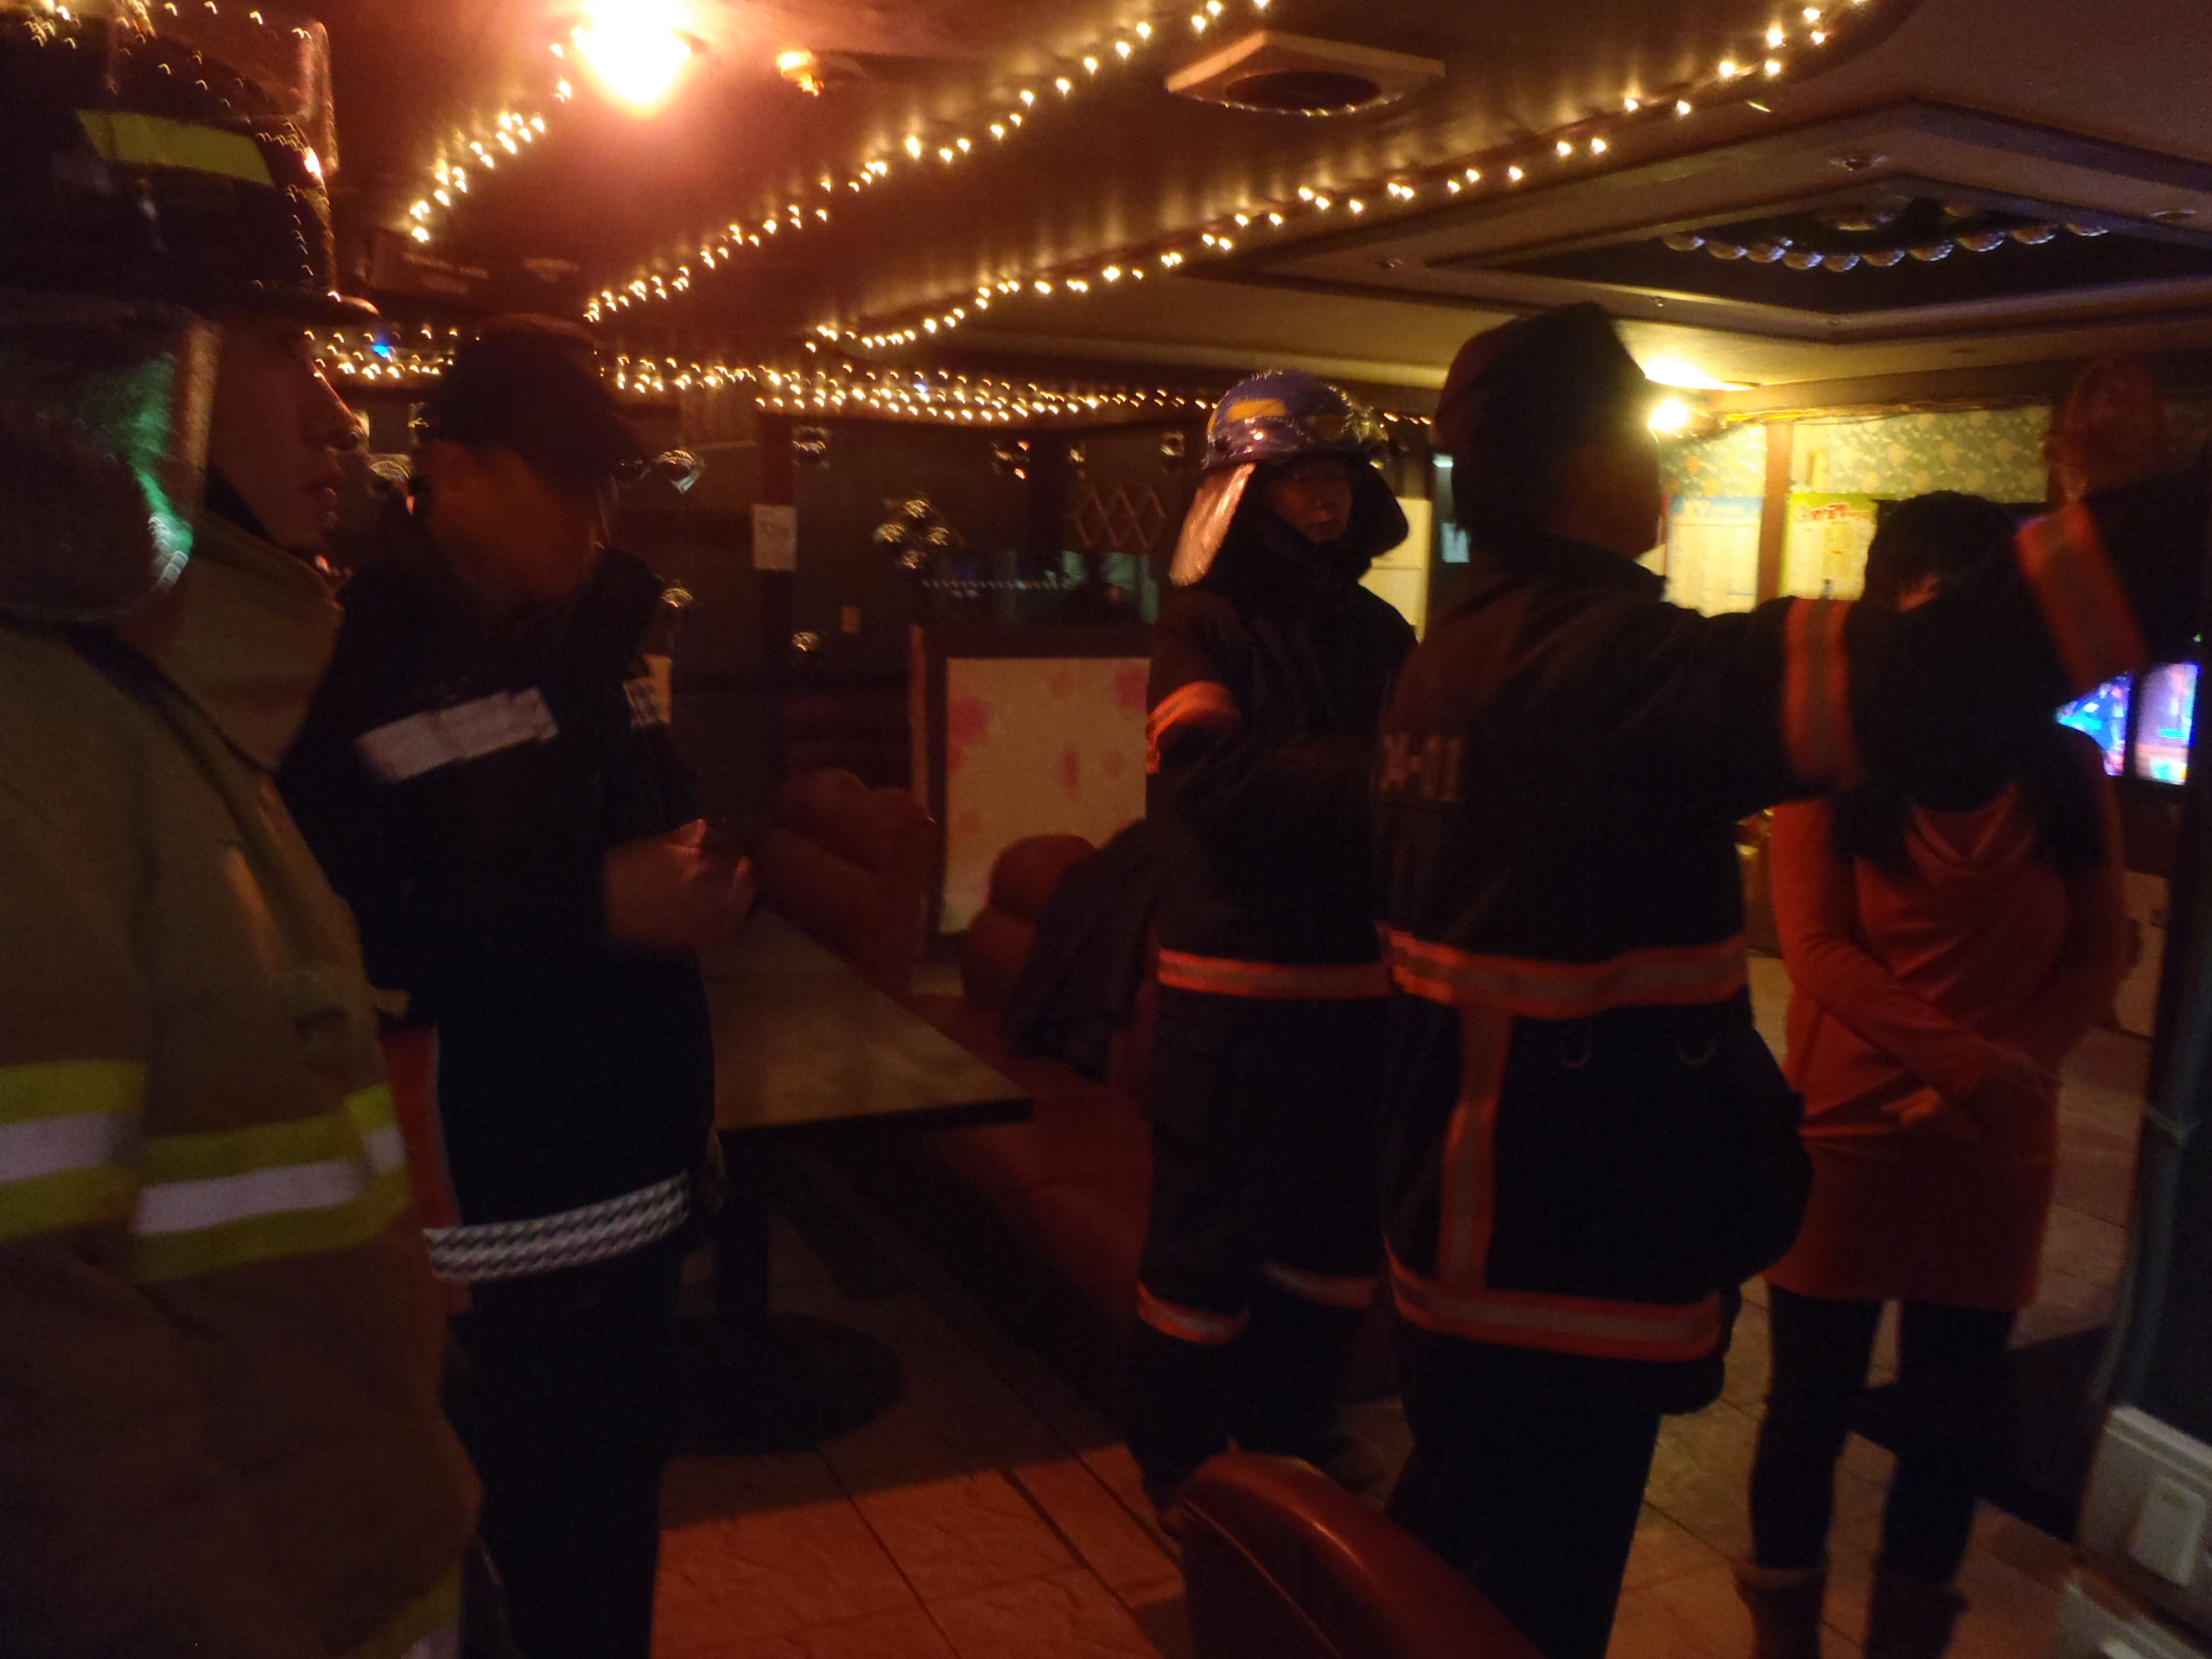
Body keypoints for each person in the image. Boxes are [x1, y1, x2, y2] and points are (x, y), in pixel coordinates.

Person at [1371, 303, 2202, 1659]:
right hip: (1561, 1266)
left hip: (1461, 1233)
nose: (1657, 459)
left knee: (1458, 1576)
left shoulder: (1452, 659)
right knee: (1525, 1613)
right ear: (1582, 461)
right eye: (1636, 428)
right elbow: (1933, 686)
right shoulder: (1605, 669)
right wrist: (2127, 521)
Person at [0, 12, 480, 1656]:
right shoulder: (37, 760)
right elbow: (60, 1467)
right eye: (280, 347)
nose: (341, 419)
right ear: (101, 371)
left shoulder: (150, 723)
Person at [276, 321, 753, 1659]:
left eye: (607, 483)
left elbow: (652, 822)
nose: (595, 516)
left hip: (636, 1208)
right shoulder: (353, 663)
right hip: (488, 1253)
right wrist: (600, 904)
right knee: (506, 1588)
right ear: (453, 473)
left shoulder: (595, 643)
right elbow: (347, 945)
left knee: (609, 1570)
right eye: (564, 480)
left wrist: (695, 876)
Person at [1739, 494, 2132, 1659]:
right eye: (1933, 605)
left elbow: (2098, 951)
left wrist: (1995, 1083)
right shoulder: (1830, 765)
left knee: (1955, 1419)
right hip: (1850, 1133)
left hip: (1994, 1150)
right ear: (1887, 610)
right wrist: (1974, 1071)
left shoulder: (2068, 769)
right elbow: (1817, 948)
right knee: (1808, 1406)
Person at [1129, 370, 1416, 1516]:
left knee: (1334, 1240)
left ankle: (1294, 1429)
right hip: (1234, 988)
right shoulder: (1201, 623)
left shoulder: (1383, 631)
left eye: (1337, 471)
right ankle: (1181, 1463)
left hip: (1362, 984)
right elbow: (1215, 781)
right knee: (1207, 1240)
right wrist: (1390, 778)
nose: (1325, 494)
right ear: (1241, 493)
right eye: (1297, 475)